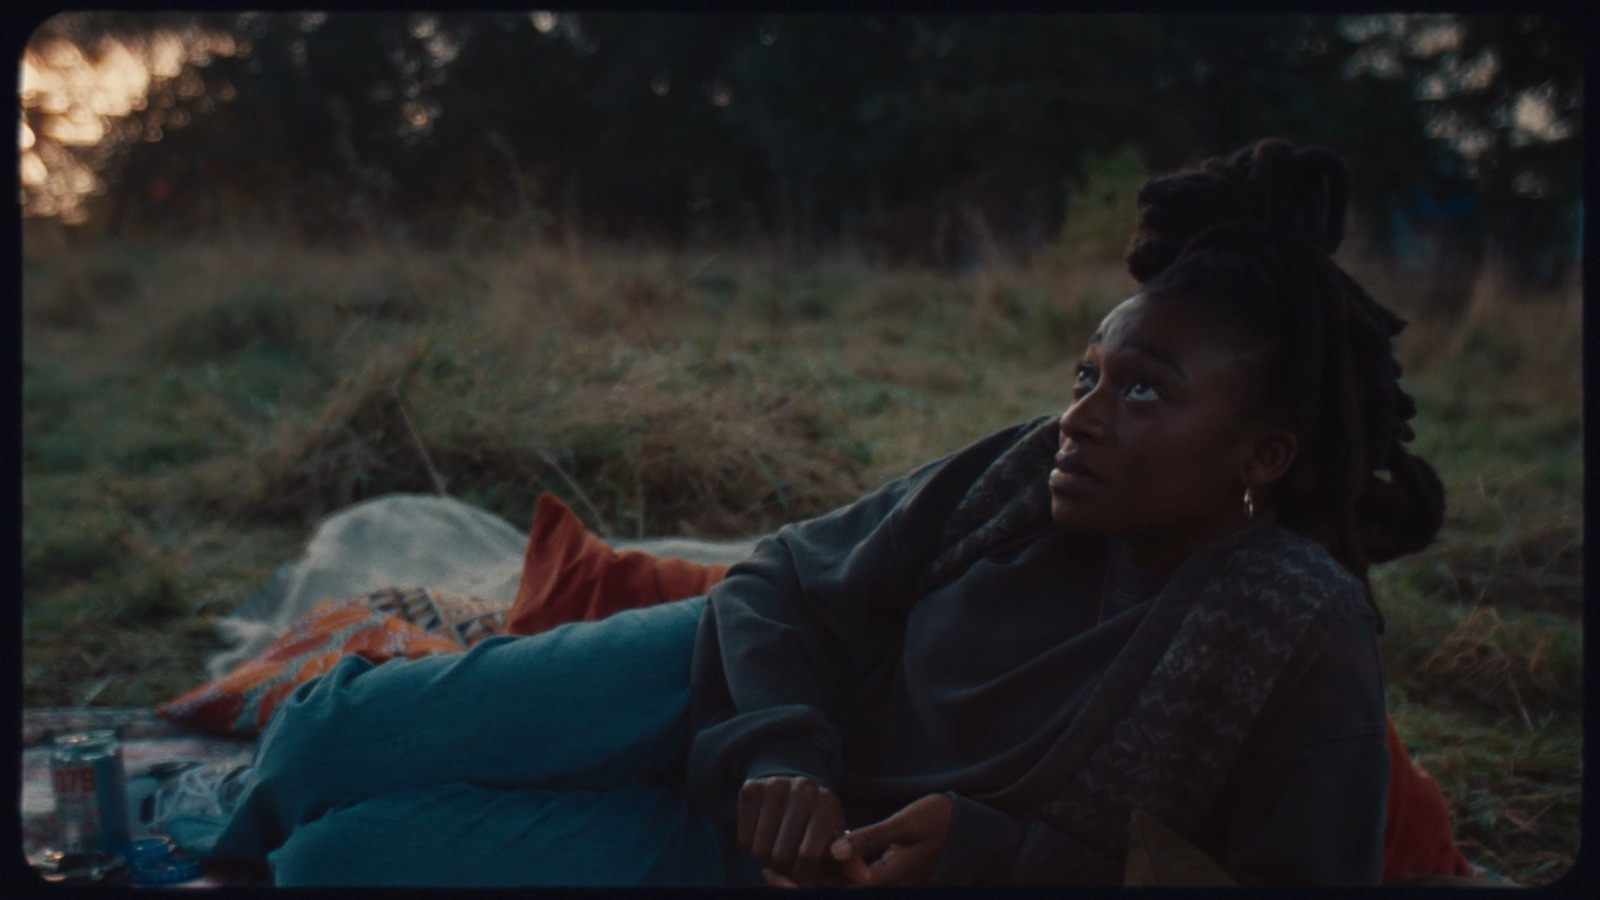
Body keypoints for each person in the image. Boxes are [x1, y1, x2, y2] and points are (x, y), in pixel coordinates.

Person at [161, 138, 1445, 886]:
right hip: (724, 689)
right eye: (1087, 374)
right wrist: (778, 744)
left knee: (341, 866)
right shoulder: (1020, 477)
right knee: (327, 743)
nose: (1083, 415)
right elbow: (780, 577)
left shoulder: (1296, 637)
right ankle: (208, 830)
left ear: (1265, 453)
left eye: (1145, 391)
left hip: (784, 867)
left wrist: (986, 854)